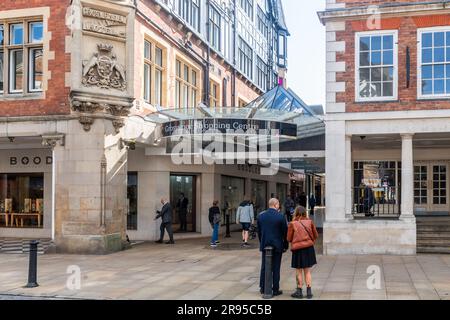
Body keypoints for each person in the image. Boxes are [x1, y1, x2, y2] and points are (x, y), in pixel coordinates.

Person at [257, 198, 288, 297]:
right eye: (278, 204)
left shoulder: (261, 216)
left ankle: (263, 287)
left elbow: (259, 232)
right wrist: (285, 245)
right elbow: (285, 233)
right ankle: (275, 289)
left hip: (265, 244)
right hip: (277, 245)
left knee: (264, 267)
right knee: (276, 267)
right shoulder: (280, 216)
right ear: (276, 205)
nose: (279, 205)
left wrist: (261, 242)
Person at [287, 206, 318, 299]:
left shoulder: (292, 224)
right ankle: (309, 292)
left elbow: (289, 238)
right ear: (305, 213)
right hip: (309, 248)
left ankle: (299, 291)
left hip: (298, 249)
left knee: (298, 270)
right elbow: (315, 235)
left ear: (295, 213)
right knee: (307, 271)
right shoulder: (310, 222)